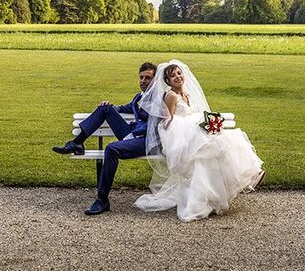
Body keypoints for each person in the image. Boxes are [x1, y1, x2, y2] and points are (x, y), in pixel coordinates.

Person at [134, 59, 265, 222]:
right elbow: (168, 121)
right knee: (209, 152)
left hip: (194, 133)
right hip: (180, 135)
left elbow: (198, 114)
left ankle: (249, 176)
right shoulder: (171, 95)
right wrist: (193, 128)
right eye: (172, 76)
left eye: (179, 73)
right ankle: (202, 201)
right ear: (167, 81)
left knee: (229, 142)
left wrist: (207, 124)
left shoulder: (187, 94)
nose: (177, 77)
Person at [53, 62, 157, 215]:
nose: (143, 81)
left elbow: (159, 125)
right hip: (132, 136)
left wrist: (135, 132)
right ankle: (77, 143)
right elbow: (125, 108)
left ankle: (102, 199)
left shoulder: (160, 99)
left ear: (155, 80)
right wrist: (111, 106)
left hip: (146, 141)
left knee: (111, 149)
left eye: (148, 78)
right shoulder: (139, 97)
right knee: (105, 108)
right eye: (141, 77)